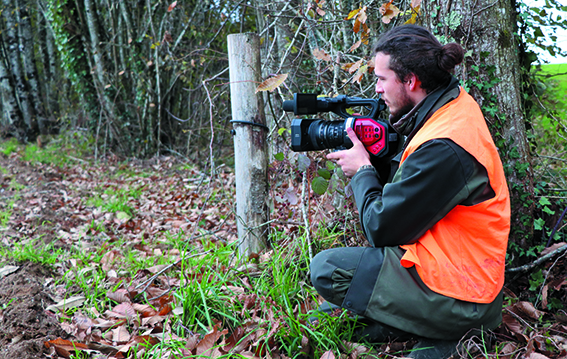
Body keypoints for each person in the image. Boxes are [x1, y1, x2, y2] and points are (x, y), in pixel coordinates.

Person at [309, 24, 511, 358]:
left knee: (327, 269)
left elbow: (381, 228)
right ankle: (423, 327)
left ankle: (453, 332)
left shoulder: (445, 146)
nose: (377, 89)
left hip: (463, 296)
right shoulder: (452, 106)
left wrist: (362, 171)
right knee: (334, 317)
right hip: (452, 271)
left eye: (381, 79)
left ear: (410, 81)